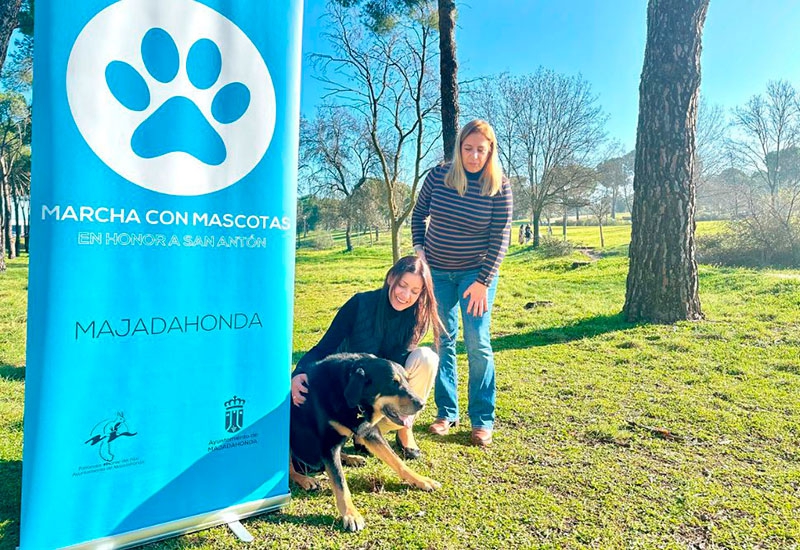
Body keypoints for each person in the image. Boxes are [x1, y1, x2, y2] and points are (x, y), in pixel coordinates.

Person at [411, 119, 512, 447]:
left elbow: (501, 237)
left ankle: (482, 419)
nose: (473, 156)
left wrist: (483, 280)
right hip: (437, 272)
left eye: (480, 150)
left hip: (476, 275)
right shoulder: (439, 176)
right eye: (468, 149)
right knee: (443, 341)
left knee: (478, 342)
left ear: (490, 150)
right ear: (459, 148)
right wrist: (419, 252)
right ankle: (446, 411)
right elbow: (418, 215)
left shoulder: (499, 186)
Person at [290, 256, 441, 459]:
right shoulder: (360, 303)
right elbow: (325, 346)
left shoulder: (417, 317)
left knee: (427, 357)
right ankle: (358, 433)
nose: (406, 296)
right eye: (402, 285)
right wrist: (299, 372)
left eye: (415, 291)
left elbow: (398, 367)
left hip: (381, 401)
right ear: (391, 278)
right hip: (349, 393)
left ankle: (403, 428)